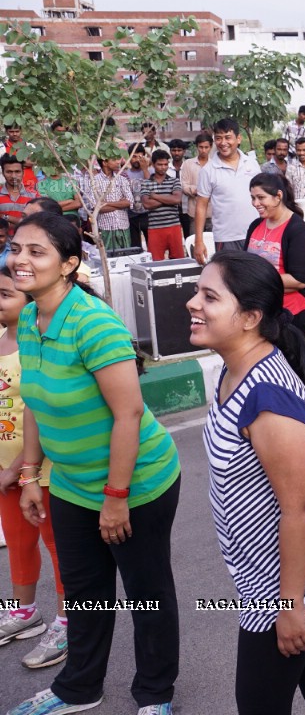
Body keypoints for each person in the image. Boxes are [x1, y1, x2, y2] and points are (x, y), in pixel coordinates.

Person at [7, 212, 181, 715]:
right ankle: (79, 688)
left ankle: (155, 694)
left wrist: (116, 499)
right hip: (70, 484)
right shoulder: (29, 319)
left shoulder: (93, 323)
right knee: (85, 593)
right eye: (16, 248)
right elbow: (35, 400)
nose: (20, 259)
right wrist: (32, 475)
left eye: (36, 252)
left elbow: (127, 414)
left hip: (137, 483)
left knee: (147, 593)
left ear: (69, 264)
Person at [185, 252, 305, 715]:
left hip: (283, 577)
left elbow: (299, 507)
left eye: (209, 296)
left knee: (259, 700)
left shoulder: (269, 395)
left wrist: (290, 604)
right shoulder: (233, 368)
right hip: (272, 569)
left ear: (251, 318)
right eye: (198, 291)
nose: (192, 304)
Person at [0, 267, 68, 671]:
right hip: (3, 474)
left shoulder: (33, 348)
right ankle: (23, 613)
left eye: (6, 295)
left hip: (37, 470)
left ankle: (68, 621)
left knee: (58, 547)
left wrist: (17, 469)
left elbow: (39, 413)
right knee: (19, 543)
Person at [245, 174, 305, 335]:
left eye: (261, 197)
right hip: (264, 311)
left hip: (292, 313)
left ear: (278, 196)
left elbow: (299, 280)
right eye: (253, 198)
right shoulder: (256, 225)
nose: (255, 203)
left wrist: (257, 281)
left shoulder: (296, 229)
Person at [194, 119, 260, 263]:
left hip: (256, 235)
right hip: (226, 238)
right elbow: (201, 206)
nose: (223, 143)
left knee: (256, 281)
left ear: (238, 138)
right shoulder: (208, 171)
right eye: (218, 138)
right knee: (230, 282)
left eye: (227, 137)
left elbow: (262, 197)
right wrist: (198, 241)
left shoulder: (252, 164)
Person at [139, 150, 185, 261]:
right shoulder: (146, 183)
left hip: (174, 227)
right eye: (160, 164)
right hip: (155, 228)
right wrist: (168, 197)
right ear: (153, 164)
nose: (163, 167)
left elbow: (177, 200)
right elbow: (146, 204)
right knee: (155, 263)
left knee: (179, 261)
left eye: (165, 164)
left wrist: (155, 196)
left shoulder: (175, 181)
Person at [178, 133, 211, 240]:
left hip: (213, 212)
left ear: (210, 147)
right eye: (201, 147)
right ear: (197, 147)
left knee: (214, 244)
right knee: (194, 242)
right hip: (194, 213)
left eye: (206, 147)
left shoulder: (215, 164)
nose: (203, 150)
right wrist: (197, 190)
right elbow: (184, 185)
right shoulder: (188, 163)